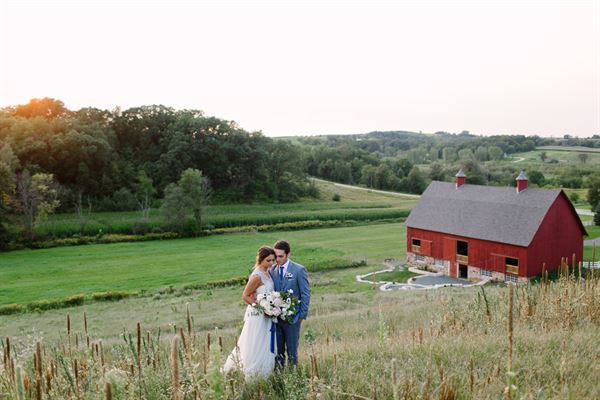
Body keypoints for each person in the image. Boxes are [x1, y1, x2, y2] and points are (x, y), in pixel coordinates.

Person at [223, 246, 277, 380]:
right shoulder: (257, 275)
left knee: (265, 343)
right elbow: (245, 295)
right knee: (256, 343)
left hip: (268, 314)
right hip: (258, 316)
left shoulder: (267, 272)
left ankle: (266, 372)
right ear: (260, 259)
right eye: (268, 260)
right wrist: (260, 308)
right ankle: (253, 372)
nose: (271, 263)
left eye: (272, 260)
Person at [269, 240, 311, 367]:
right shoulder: (272, 270)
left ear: (288, 254)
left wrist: (301, 316)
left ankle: (294, 377)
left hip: (293, 319)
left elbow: (305, 294)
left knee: (292, 352)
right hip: (276, 320)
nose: (277, 259)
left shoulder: (299, 270)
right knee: (278, 352)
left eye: (280, 256)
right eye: (275, 256)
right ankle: (280, 378)